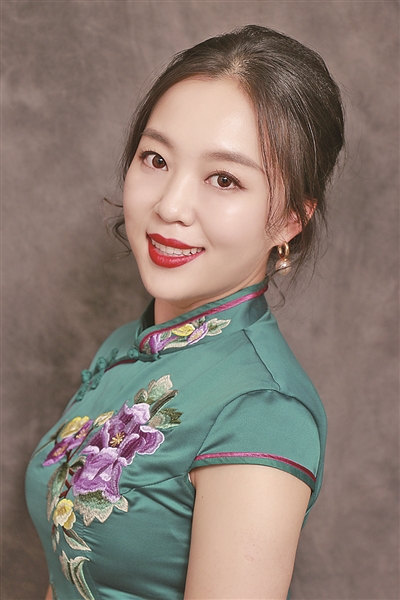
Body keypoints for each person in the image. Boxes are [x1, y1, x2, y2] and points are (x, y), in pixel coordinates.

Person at [26, 25, 344, 600]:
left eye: (224, 179)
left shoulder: (262, 412)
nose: (170, 205)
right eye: (156, 158)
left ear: (289, 220)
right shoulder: (128, 344)